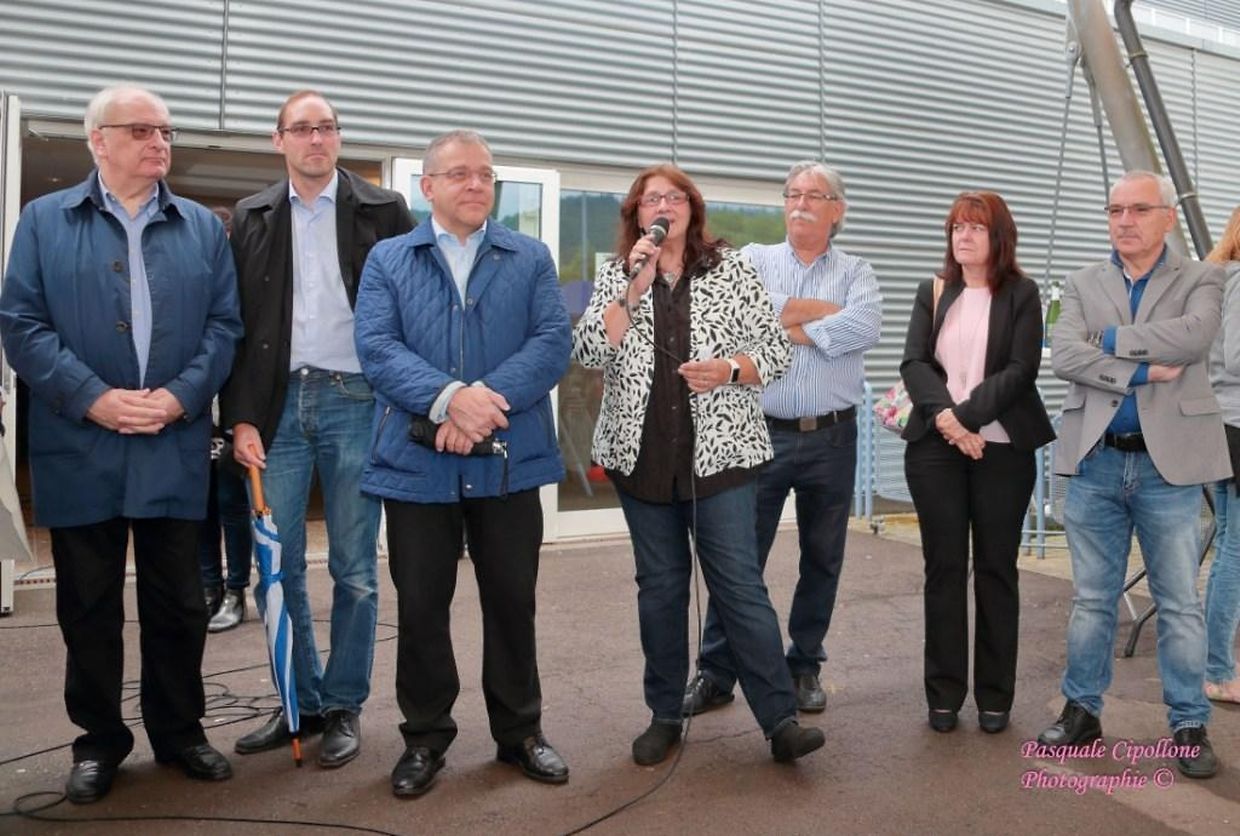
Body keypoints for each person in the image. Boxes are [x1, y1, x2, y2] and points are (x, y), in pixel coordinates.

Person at [0, 85, 241, 802]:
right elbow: (21, 324)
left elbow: (225, 326)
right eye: (140, 130)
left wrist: (179, 396)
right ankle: (99, 741)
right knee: (88, 606)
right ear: (97, 141)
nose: (158, 142)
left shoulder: (201, 227)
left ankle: (181, 732)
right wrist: (94, 398)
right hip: (82, 443)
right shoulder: (44, 220)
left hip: (172, 439)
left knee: (179, 603)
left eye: (165, 131)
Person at [573, 163, 825, 766]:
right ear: (636, 215)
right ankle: (664, 716)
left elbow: (775, 351)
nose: (663, 206)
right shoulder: (616, 273)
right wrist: (631, 290)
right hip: (642, 462)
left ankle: (779, 722)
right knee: (660, 590)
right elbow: (588, 352)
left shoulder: (732, 269)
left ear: (692, 209)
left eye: (675, 197)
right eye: (651, 199)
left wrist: (730, 370)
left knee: (739, 587)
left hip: (723, 459)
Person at [355, 129, 571, 797]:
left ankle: (520, 732)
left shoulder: (529, 256)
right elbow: (377, 348)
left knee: (511, 602)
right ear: (427, 187)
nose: (476, 184)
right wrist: (450, 399)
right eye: (459, 174)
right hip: (417, 465)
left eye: (485, 174)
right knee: (422, 607)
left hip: (507, 461)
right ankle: (424, 738)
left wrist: (482, 403)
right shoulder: (389, 259)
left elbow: (551, 341)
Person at [221, 90, 414, 767]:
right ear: (278, 140)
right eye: (302, 129)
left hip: (356, 400)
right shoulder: (251, 216)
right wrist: (240, 416)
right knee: (277, 568)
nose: (316, 139)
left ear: (338, 137)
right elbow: (234, 324)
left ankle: (343, 705)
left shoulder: (384, 210)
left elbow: (410, 309)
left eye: (327, 127)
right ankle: (297, 701)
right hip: (274, 407)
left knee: (354, 568)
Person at [1041, 170, 1228, 779]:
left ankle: (1189, 722)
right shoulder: (1081, 281)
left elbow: (1193, 339)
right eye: (1115, 210)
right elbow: (1065, 353)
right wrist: (1143, 370)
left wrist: (1110, 338)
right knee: (1092, 600)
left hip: (1168, 467)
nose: (1124, 221)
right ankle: (1082, 711)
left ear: (1168, 217)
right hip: (1095, 460)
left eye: (1139, 209)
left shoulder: (1203, 278)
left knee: (1178, 602)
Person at [684, 161, 882, 717]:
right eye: (793, 194)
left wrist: (785, 323)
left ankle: (804, 665)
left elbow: (866, 327)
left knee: (822, 557)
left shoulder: (858, 270)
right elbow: (738, 320)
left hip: (832, 437)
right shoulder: (752, 260)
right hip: (760, 432)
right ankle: (717, 672)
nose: (800, 204)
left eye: (814, 195)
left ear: (837, 210)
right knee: (738, 558)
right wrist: (821, 318)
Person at [899, 191, 1054, 734]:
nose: (963, 236)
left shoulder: (1023, 294)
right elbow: (914, 362)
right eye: (956, 227)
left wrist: (965, 418)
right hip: (934, 450)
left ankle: (995, 697)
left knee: (995, 571)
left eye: (975, 227)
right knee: (943, 569)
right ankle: (943, 695)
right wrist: (947, 420)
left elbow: (1020, 369)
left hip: (1003, 451)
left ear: (998, 236)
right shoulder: (934, 290)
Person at [198, 205, 254, 633]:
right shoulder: (193, 283)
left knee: (233, 506)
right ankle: (207, 588)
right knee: (201, 509)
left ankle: (236, 591)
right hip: (195, 412)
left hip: (234, 414)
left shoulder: (244, 286)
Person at [1205, 205, 1240, 705]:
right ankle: (1217, 671)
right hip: (1236, 424)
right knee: (1234, 551)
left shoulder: (1220, 278)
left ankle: (1214, 665)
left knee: (1228, 546)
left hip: (1221, 425)